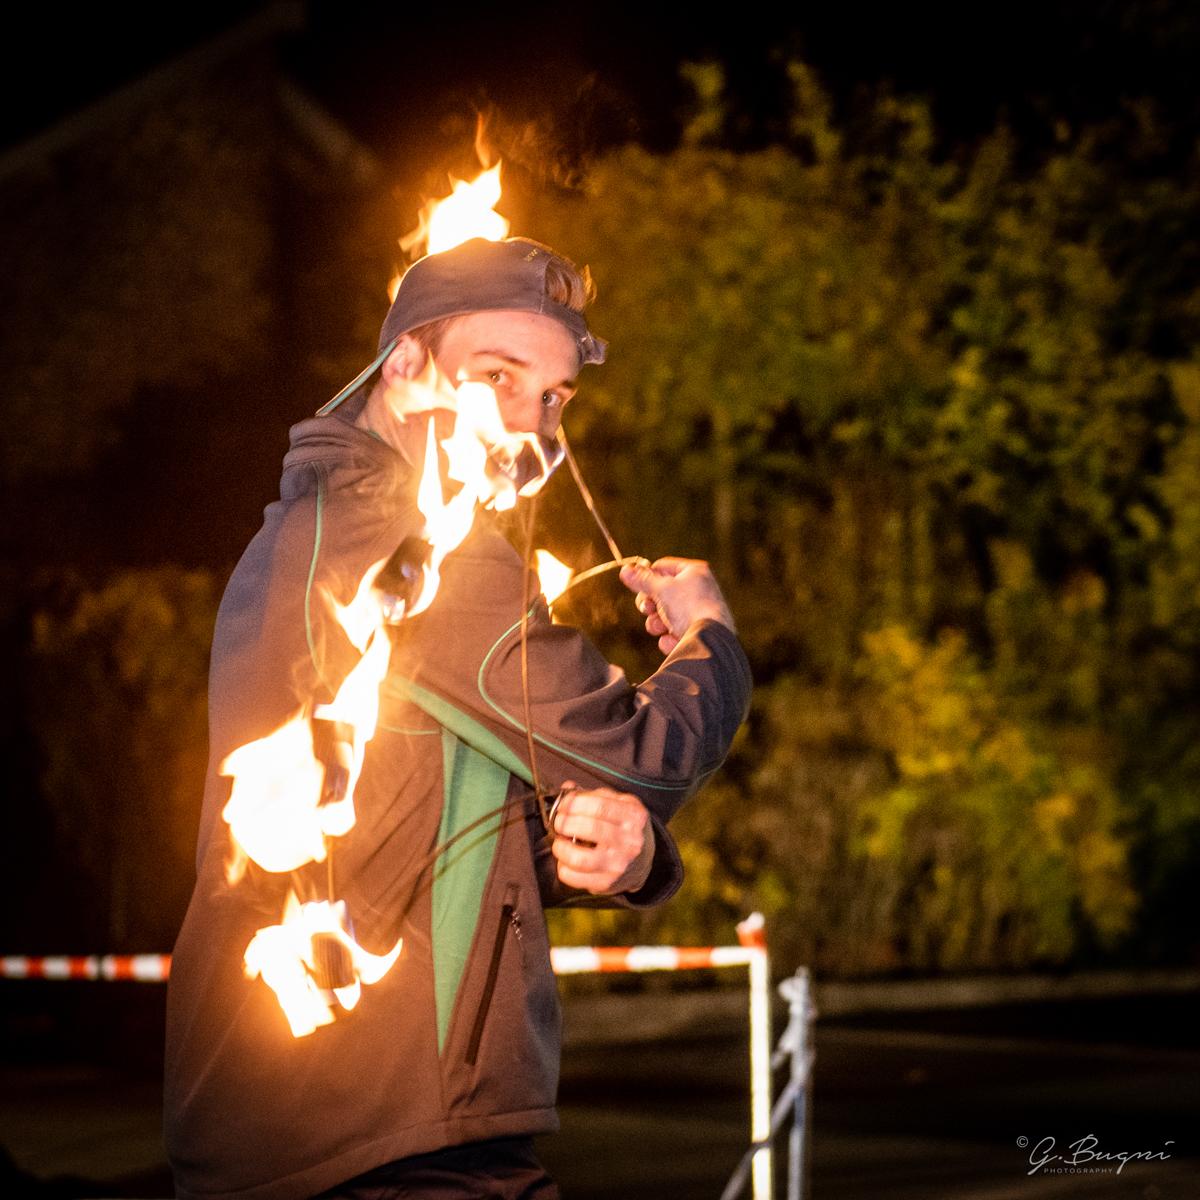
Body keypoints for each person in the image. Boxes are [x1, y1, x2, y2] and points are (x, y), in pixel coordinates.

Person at [164, 237, 752, 1200]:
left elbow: (417, 827)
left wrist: (621, 854)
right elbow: (646, 755)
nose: (531, 425)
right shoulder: (406, 545)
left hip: (329, 1120)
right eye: (497, 376)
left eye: (554, 397)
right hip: (377, 1128)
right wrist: (710, 640)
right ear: (404, 364)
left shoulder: (319, 526)